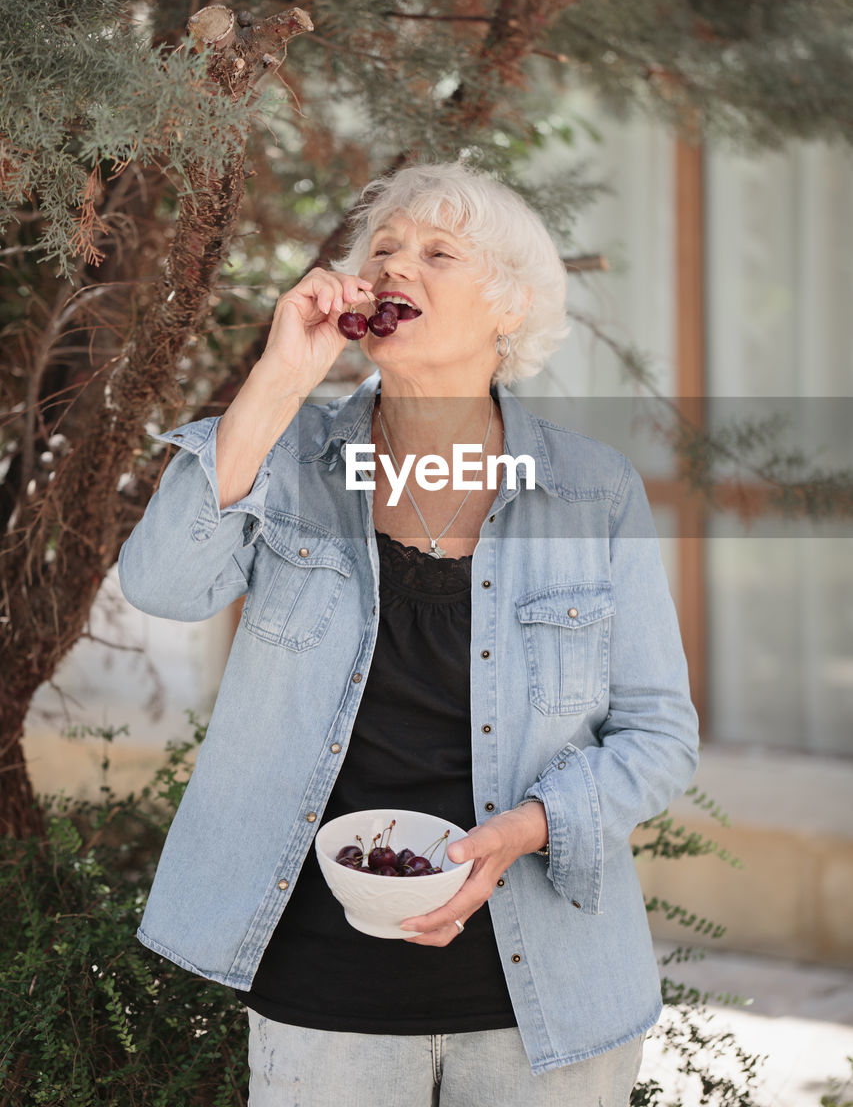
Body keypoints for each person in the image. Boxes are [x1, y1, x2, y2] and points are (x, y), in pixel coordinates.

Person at [118, 161, 700, 1106]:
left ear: (508, 309)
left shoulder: (591, 489)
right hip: (321, 982)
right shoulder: (294, 458)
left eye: (438, 253)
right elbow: (163, 587)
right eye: (381, 251)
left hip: (543, 997)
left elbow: (659, 734)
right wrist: (276, 381)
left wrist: (530, 827)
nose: (396, 268)